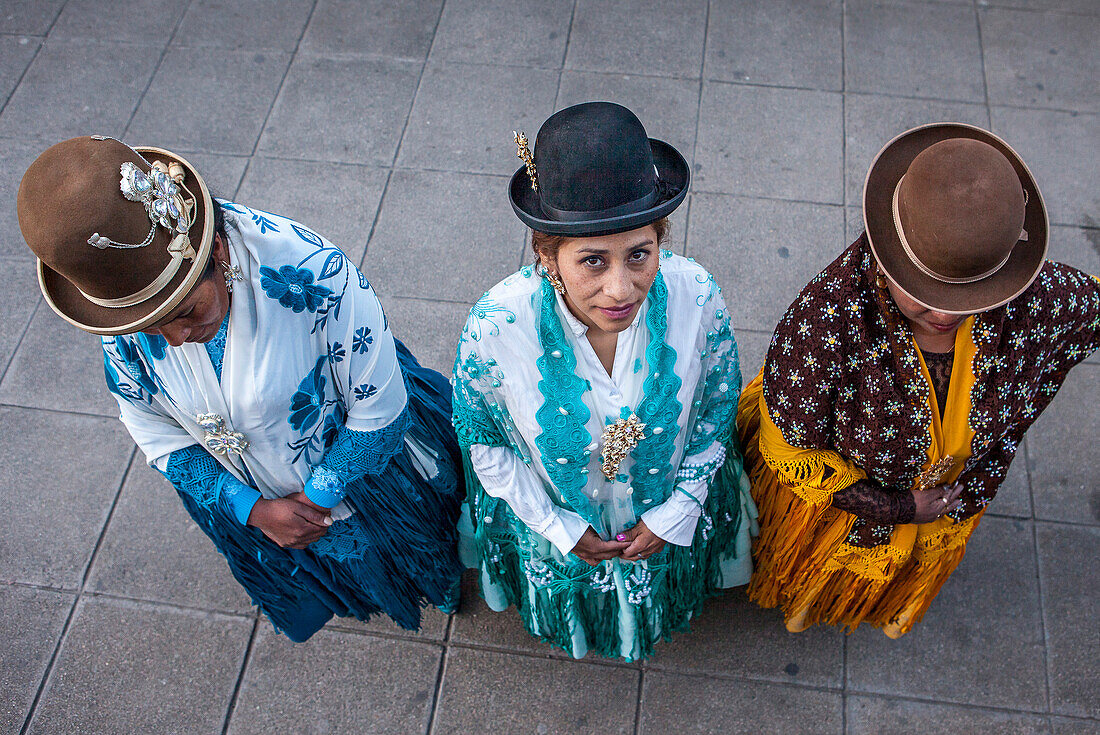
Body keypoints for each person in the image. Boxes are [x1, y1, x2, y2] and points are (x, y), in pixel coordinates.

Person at [18, 136, 464, 641]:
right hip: (256, 496)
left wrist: (317, 498)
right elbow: (148, 421)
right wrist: (250, 509)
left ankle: (442, 586)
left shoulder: (317, 273)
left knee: (418, 547)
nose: (175, 339)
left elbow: (378, 408)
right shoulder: (130, 308)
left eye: (186, 312)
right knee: (356, 576)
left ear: (219, 250)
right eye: (146, 326)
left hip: (356, 474)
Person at [738, 123, 1099, 637]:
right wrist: (900, 507)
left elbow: (1091, 309)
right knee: (815, 575)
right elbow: (792, 449)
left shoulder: (1038, 301)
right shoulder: (825, 319)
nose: (943, 315)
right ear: (888, 259)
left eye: (971, 298)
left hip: (949, 500)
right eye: (924, 291)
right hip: (846, 505)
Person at [452, 102, 757, 661]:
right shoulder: (496, 325)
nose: (621, 289)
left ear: (661, 239)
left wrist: (675, 512)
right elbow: (485, 443)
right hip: (560, 526)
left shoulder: (699, 295)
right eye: (593, 261)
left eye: (640, 255)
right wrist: (559, 527)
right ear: (548, 255)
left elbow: (716, 411)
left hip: (663, 514)